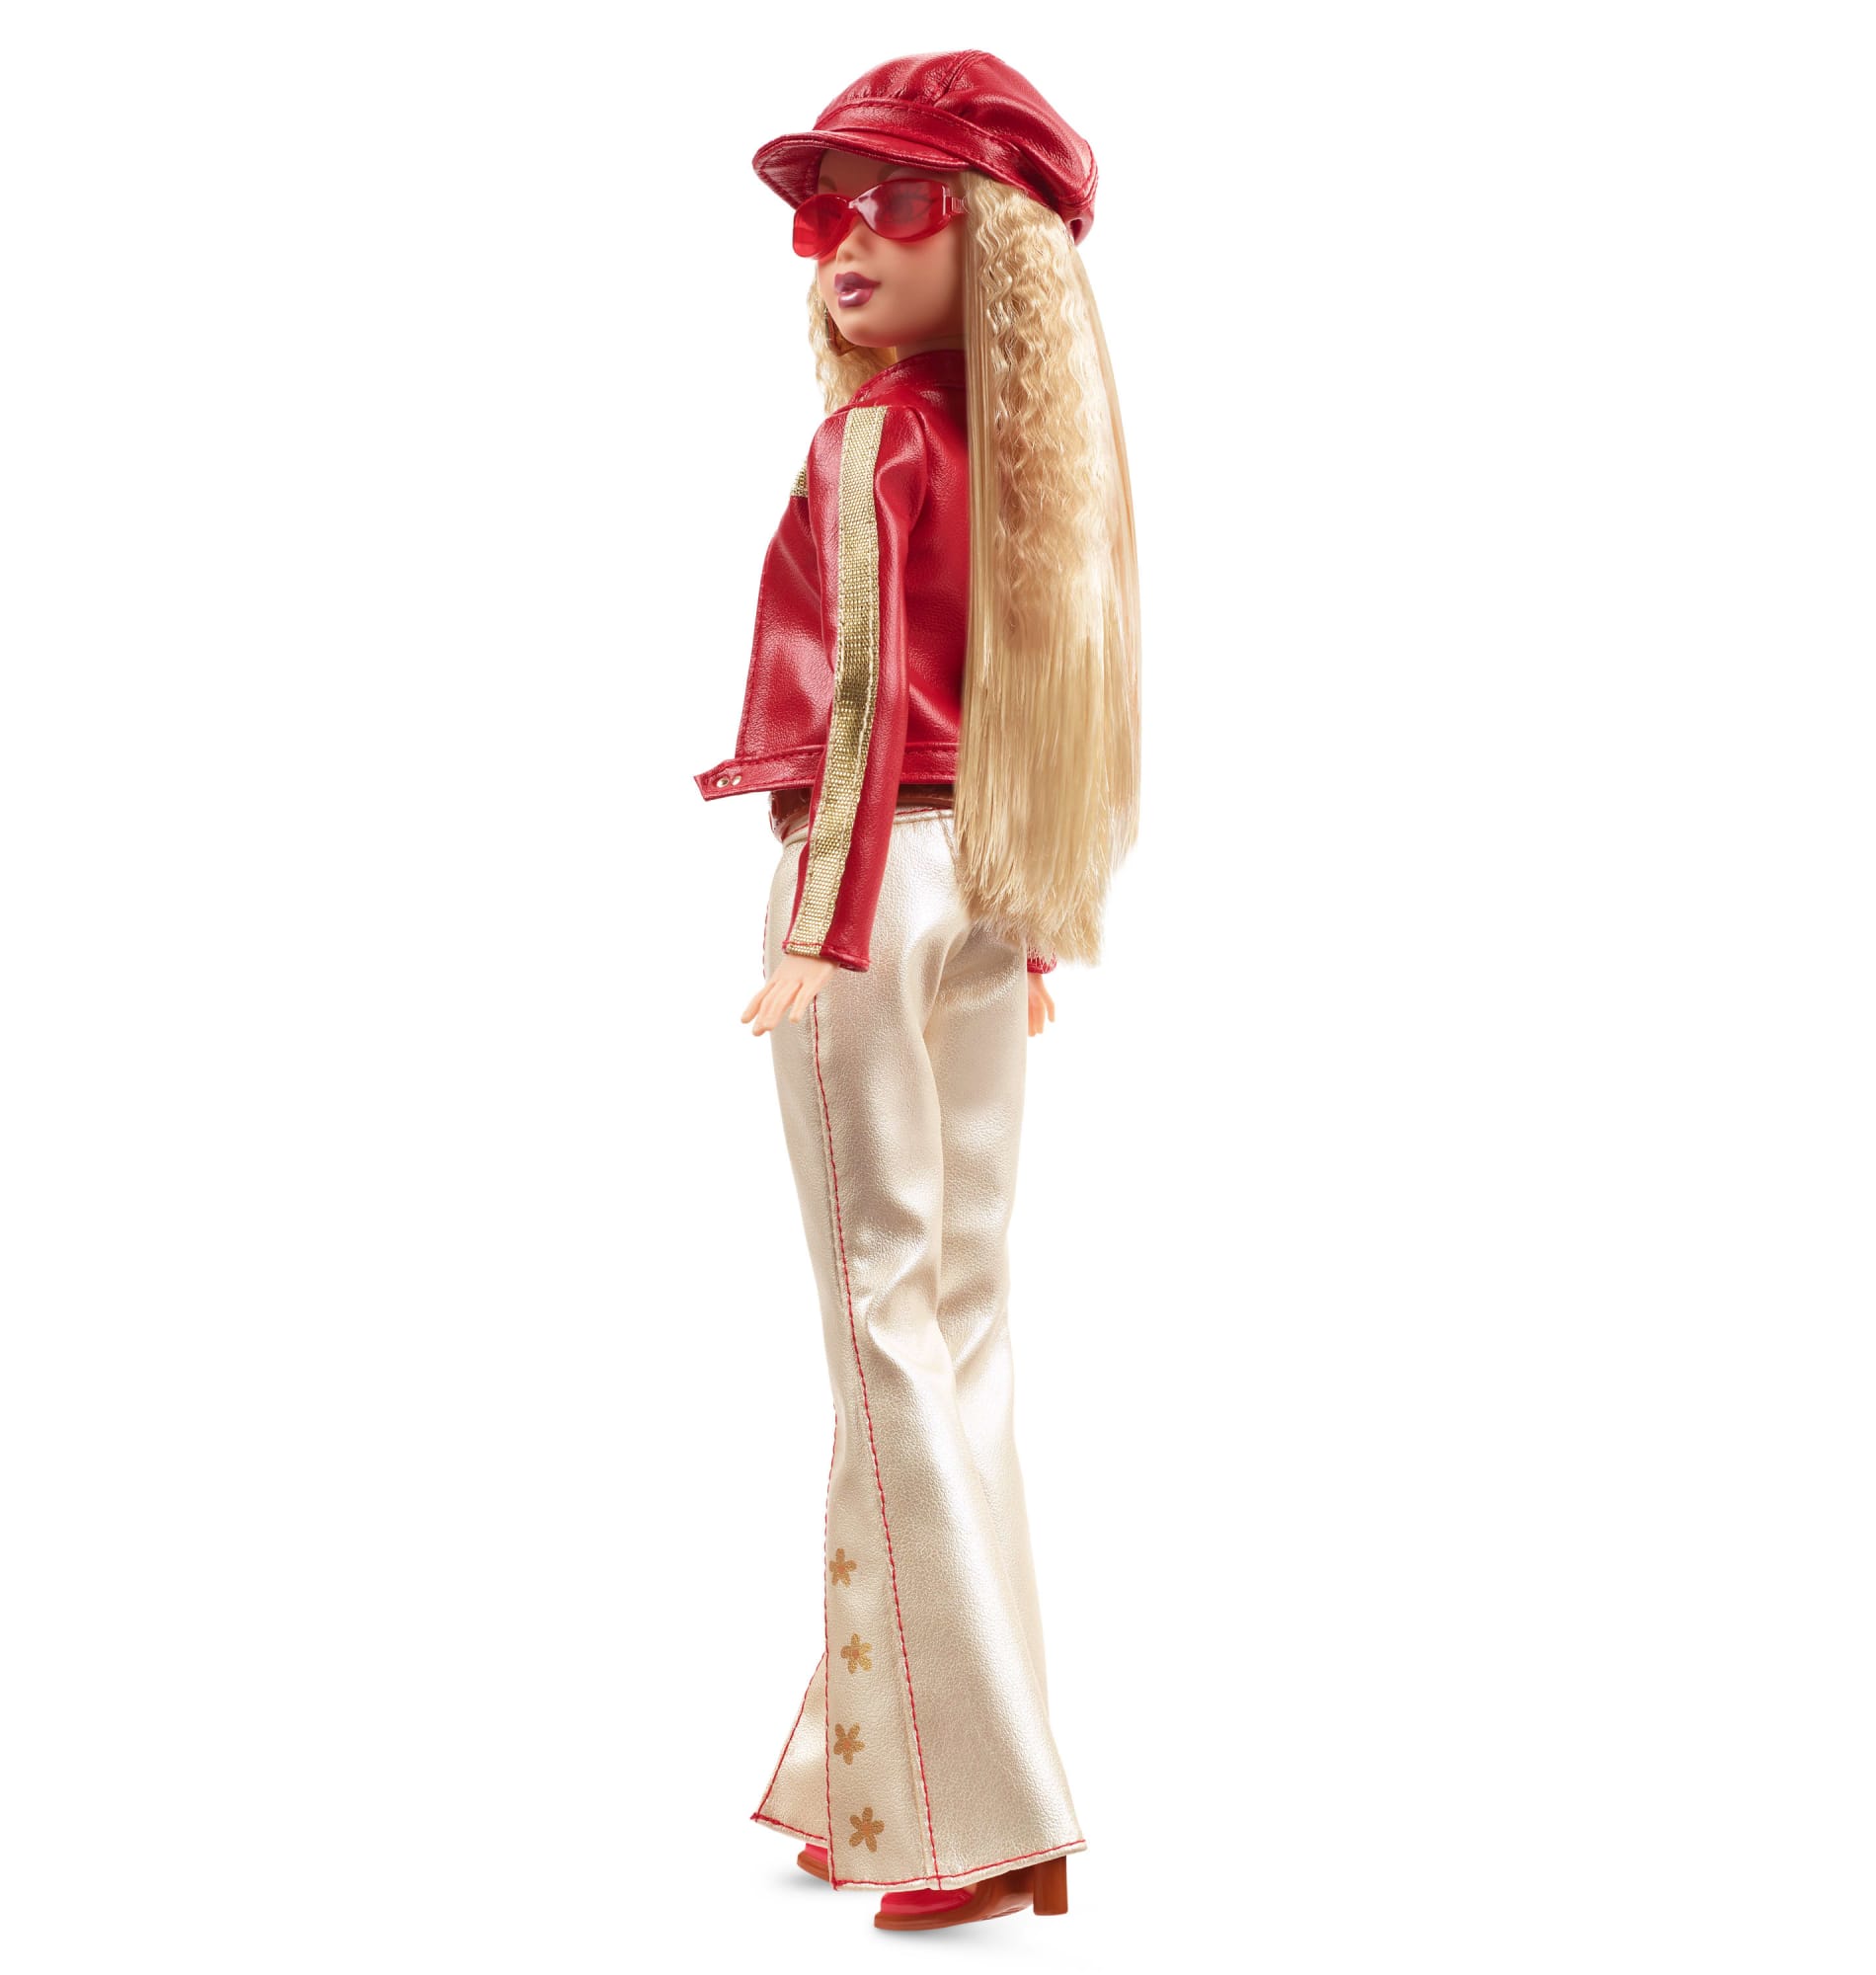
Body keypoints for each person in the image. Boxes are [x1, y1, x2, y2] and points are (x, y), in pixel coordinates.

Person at [691, 49, 1140, 1934]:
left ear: (987, 239)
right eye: (829, 214)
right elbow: (1026, 708)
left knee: (885, 1327)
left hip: (872, 882)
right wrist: (1016, 941)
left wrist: (822, 920)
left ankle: (979, 1810)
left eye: (897, 203)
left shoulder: (876, 443)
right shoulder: (1027, 463)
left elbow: (868, 698)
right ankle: (887, 1765)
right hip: (979, 883)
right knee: (955, 1314)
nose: (847, 244)